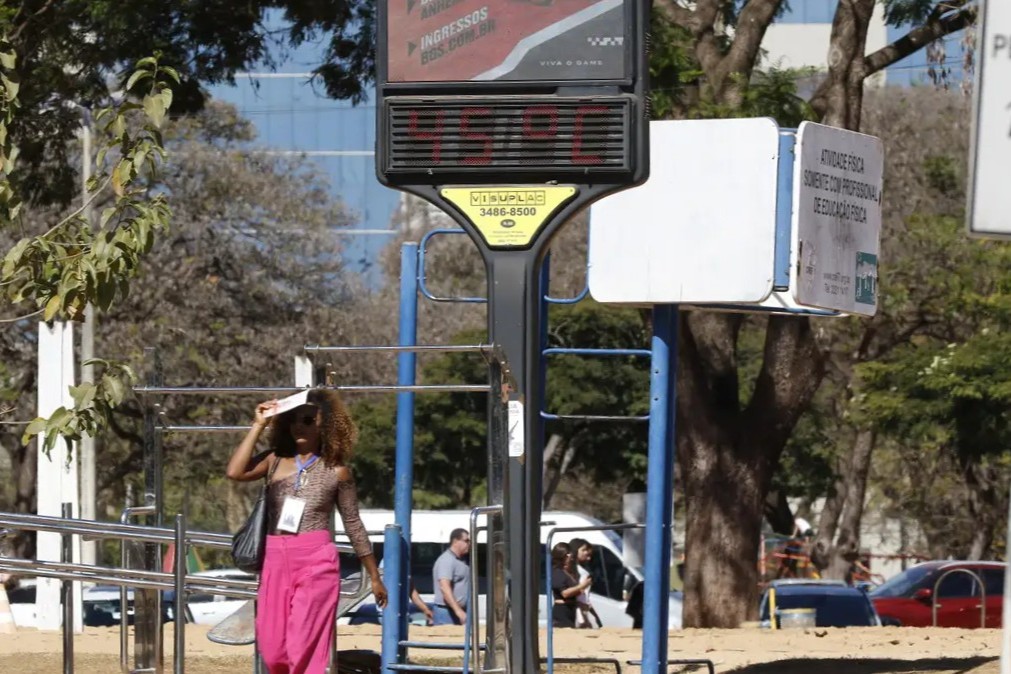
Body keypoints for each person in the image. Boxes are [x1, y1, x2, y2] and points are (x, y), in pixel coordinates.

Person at [226, 389, 388, 674]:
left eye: (308, 419)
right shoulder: (274, 460)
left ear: (325, 426)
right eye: (294, 419)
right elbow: (235, 472)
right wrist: (259, 424)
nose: (299, 425)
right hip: (275, 559)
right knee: (273, 651)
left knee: (303, 649)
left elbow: (353, 523)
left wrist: (374, 576)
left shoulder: (338, 471)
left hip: (316, 559)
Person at [432, 528, 471, 625]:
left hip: (456, 612)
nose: (469, 544)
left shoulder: (460, 560)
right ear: (455, 541)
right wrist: (459, 612)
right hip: (447, 614)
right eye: (466, 541)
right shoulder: (447, 561)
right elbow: (444, 588)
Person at [550, 542, 590, 628]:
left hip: (571, 609)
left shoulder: (567, 572)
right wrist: (582, 586)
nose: (571, 557)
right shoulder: (557, 572)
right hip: (562, 611)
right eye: (568, 555)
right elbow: (565, 593)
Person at [567, 537, 601, 628]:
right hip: (576, 611)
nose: (586, 553)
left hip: (582, 610)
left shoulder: (582, 570)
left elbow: (585, 597)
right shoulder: (571, 570)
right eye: (583, 550)